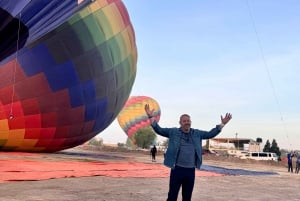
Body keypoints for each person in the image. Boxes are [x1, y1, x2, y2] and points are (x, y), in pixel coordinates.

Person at [144, 104, 232, 201]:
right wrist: (150, 117)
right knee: (172, 196)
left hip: (190, 171)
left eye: (188, 121)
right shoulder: (173, 132)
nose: (187, 122)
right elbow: (159, 130)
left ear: (190, 122)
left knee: (187, 197)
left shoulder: (197, 133)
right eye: (184, 121)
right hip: (177, 169)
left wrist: (222, 124)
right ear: (180, 123)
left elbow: (210, 133)